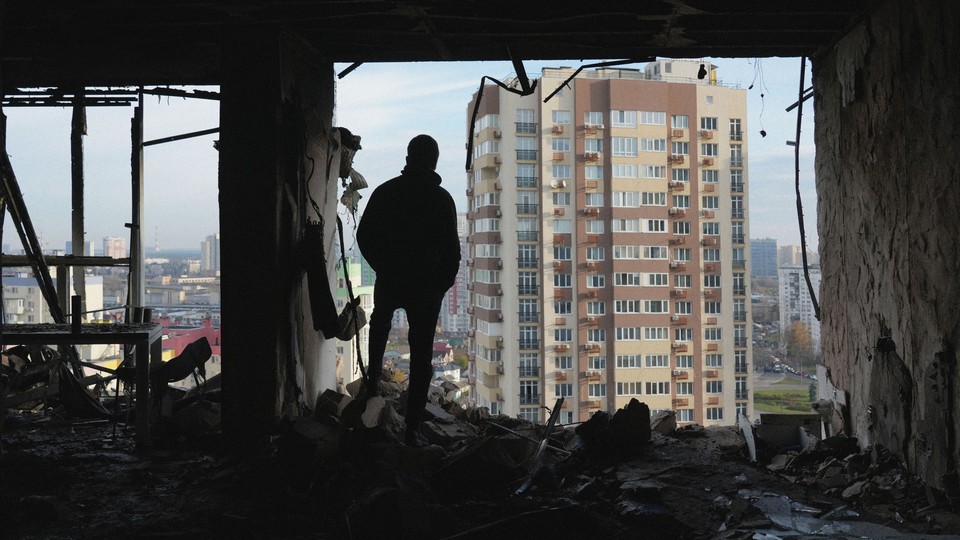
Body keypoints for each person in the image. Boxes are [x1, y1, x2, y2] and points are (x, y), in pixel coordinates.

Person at [357, 134, 460, 446]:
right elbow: (452, 253)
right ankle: (412, 428)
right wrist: (439, 285)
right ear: (434, 161)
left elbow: (364, 235)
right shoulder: (442, 199)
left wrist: (383, 266)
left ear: (408, 157)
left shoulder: (386, 192)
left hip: (393, 277)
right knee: (421, 355)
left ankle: (371, 388)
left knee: (379, 328)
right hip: (426, 288)